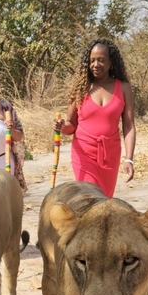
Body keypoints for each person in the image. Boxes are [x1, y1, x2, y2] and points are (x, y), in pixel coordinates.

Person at [53, 38, 135, 198]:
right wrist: (62, 126)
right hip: (83, 152)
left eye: (101, 60)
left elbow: (129, 126)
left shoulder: (124, 88)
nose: (96, 64)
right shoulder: (80, 88)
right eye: (92, 61)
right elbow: (71, 126)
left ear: (111, 62)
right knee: (89, 197)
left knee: (105, 200)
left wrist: (129, 159)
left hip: (110, 154)